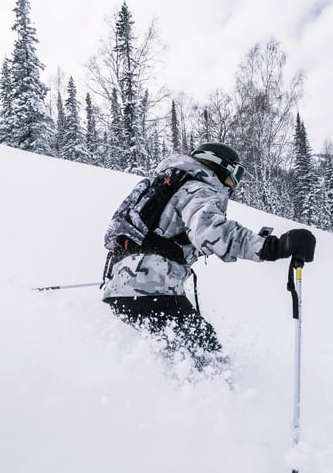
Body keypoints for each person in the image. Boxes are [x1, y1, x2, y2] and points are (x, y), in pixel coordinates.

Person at [101, 142, 316, 372]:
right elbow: (211, 231)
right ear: (220, 166)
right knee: (210, 361)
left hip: (122, 288)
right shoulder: (198, 187)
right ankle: (217, 402)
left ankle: (163, 396)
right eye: (236, 173)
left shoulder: (169, 184)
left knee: (178, 359)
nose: (235, 184)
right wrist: (272, 247)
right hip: (151, 288)